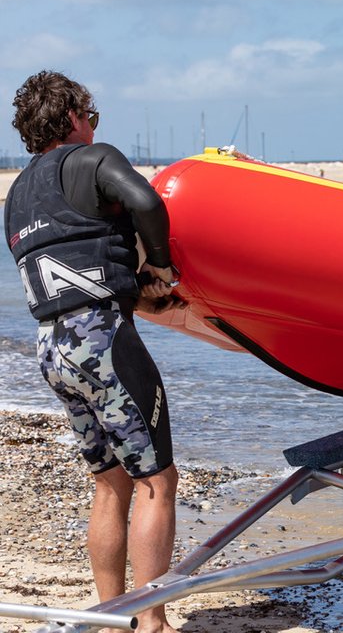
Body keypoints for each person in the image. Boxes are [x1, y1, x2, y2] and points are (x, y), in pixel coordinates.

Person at [5, 71, 182, 633]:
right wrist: (160, 263)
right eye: (91, 116)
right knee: (157, 480)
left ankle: (111, 618)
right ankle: (151, 621)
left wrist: (132, 287)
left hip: (50, 350)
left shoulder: (15, 197)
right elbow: (147, 201)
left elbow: (69, 261)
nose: (94, 125)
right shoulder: (93, 158)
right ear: (74, 117)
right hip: (101, 341)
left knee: (110, 480)